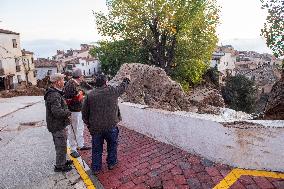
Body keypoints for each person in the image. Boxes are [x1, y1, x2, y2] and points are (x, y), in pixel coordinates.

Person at [82, 74, 130, 173]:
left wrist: (89, 125)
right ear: (105, 82)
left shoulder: (90, 95)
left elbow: (85, 113)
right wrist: (127, 79)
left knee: (96, 149)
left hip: (96, 128)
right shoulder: (112, 91)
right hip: (111, 126)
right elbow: (122, 87)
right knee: (112, 145)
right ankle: (111, 163)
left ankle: (96, 168)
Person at [44, 73, 73, 172]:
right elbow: (57, 112)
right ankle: (60, 166)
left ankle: (63, 161)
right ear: (57, 82)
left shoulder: (57, 92)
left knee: (63, 144)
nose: (64, 82)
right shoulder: (54, 95)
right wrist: (68, 112)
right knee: (60, 145)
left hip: (59, 124)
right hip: (57, 125)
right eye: (62, 80)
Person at [64, 68, 91, 158]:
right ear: (80, 76)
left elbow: (86, 90)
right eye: (82, 75)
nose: (83, 77)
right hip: (73, 111)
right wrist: (80, 96)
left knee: (80, 127)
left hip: (79, 110)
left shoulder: (76, 83)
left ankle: (80, 144)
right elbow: (69, 99)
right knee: (73, 130)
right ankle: (73, 149)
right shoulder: (70, 85)